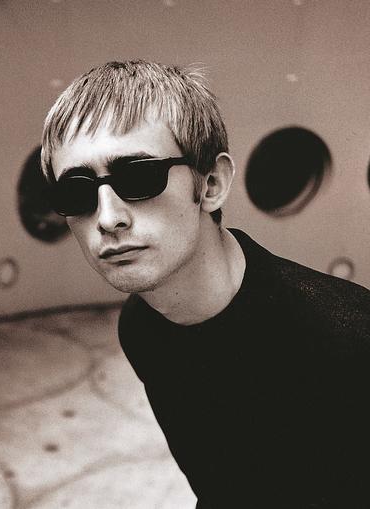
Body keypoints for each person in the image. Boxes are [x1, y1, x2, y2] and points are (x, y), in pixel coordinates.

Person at [40, 60, 370, 508]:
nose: (108, 217)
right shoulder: (142, 325)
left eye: (139, 176)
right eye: (75, 191)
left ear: (211, 184)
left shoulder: (349, 343)